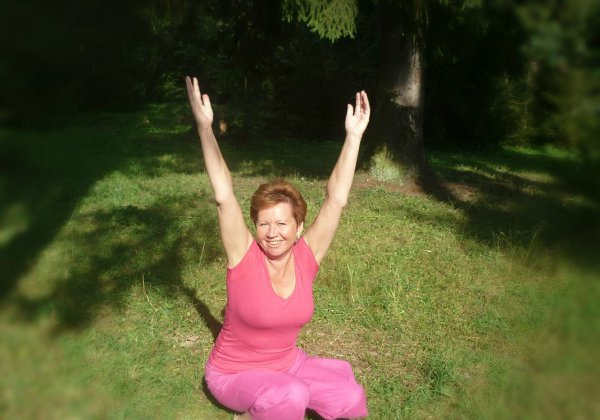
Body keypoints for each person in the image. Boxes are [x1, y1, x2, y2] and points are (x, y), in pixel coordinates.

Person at [185, 76, 370, 420]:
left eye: (282, 224)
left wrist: (354, 137)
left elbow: (336, 200)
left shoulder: (307, 258)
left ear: (298, 228)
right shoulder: (243, 257)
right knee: (290, 394)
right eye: (264, 224)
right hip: (233, 374)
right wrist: (205, 129)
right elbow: (224, 195)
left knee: (349, 394)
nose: (272, 233)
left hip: (287, 364)